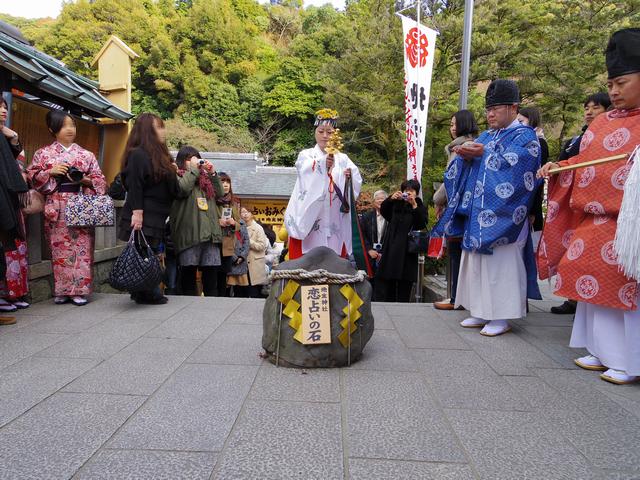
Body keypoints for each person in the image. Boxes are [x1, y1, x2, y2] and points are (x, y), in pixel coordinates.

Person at [537, 28, 640, 384]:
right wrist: (559, 168)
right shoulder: (601, 123)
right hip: (593, 220)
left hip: (630, 226)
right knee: (590, 282)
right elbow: (585, 163)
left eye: (622, 82)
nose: (613, 91)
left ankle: (630, 360)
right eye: (611, 83)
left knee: (624, 291)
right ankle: (601, 350)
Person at [431, 79, 542, 336]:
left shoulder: (525, 137)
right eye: (488, 109)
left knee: (501, 265)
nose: (490, 113)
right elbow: (468, 164)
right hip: (477, 211)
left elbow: (520, 169)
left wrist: (483, 156)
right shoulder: (486, 135)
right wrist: (464, 156)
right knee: (477, 263)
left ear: (513, 108)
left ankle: (502, 316)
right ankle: (479, 310)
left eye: (497, 108)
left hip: (505, 214)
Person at [27, 110, 106, 306]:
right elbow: (31, 176)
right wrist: (49, 172)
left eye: (72, 125)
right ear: (52, 129)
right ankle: (62, 290)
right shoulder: (43, 153)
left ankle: (80, 290)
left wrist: (84, 179)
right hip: (56, 205)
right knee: (58, 248)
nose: (70, 129)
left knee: (82, 248)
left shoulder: (86, 155)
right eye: (64, 125)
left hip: (80, 203)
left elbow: (100, 181)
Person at [549, 92, 611, 315]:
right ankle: (574, 298)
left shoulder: (611, 134)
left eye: (596, 107)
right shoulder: (578, 139)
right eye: (586, 108)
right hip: (576, 201)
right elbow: (574, 163)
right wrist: (557, 166)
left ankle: (589, 299)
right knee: (572, 251)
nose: (589, 112)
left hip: (603, 203)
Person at [284, 109, 363, 259]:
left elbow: (355, 180)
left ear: (336, 134)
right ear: (315, 132)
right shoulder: (306, 155)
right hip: (313, 214)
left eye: (330, 132)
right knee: (308, 259)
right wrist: (321, 163)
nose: (325, 136)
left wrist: (348, 178)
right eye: (321, 131)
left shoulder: (343, 158)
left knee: (334, 258)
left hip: (334, 215)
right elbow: (303, 171)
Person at [118, 113, 179, 305]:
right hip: (143, 213)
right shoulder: (138, 155)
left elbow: (175, 190)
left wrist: (174, 171)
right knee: (145, 253)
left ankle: (142, 291)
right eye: (159, 127)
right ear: (148, 132)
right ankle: (149, 292)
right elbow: (135, 185)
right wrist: (137, 212)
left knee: (147, 252)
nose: (163, 131)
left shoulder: (161, 157)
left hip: (157, 214)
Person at [433, 109, 479, 310]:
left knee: (456, 252)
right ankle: (460, 297)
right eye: (450, 124)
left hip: (457, 209)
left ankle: (455, 298)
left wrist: (437, 199)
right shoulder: (473, 144)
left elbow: (450, 179)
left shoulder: (461, 148)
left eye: (454, 124)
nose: (452, 128)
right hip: (468, 207)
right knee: (462, 253)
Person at [170, 146, 224, 297]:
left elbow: (220, 194)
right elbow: (182, 189)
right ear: (182, 161)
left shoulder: (205, 180)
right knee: (188, 277)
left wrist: (212, 173)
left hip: (210, 236)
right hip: (189, 235)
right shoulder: (176, 176)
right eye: (189, 159)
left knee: (211, 278)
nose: (193, 161)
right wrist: (193, 170)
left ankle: (212, 311)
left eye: (195, 158)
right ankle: (188, 313)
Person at [374, 179, 428, 302]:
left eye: (412, 191)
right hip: (392, 245)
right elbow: (383, 211)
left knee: (405, 281)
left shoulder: (419, 205)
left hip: (407, 248)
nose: (408, 193)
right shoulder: (395, 203)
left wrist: (414, 205)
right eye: (406, 191)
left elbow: (421, 223)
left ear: (416, 193)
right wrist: (390, 198)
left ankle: (404, 306)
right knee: (389, 279)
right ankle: (389, 304)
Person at [0, 97, 30, 313]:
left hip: (8, 197)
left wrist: (13, 137)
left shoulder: (5, 135)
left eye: (4, 107)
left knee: (9, 247)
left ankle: (12, 294)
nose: (3, 111)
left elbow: (11, 162)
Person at [517, 106, 549, 249]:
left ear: (532, 121)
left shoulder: (539, 142)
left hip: (531, 203)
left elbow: (537, 179)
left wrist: (534, 210)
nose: (518, 125)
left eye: (521, 121)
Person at [215, 172, 242, 296]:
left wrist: (232, 222)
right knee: (211, 273)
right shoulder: (212, 200)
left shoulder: (233, 203)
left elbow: (239, 225)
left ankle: (221, 300)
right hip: (214, 242)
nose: (225, 185)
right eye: (222, 182)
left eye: (228, 182)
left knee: (223, 275)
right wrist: (217, 222)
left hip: (227, 243)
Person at [238, 207, 268, 298]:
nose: (245, 214)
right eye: (243, 212)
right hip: (242, 264)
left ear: (252, 214)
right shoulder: (238, 227)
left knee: (255, 292)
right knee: (242, 291)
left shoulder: (258, 228)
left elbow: (262, 246)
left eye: (247, 212)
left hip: (255, 264)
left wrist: (248, 241)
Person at [361, 190, 388, 280]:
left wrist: (385, 252)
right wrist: (369, 250)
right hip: (370, 255)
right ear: (374, 201)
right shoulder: (366, 217)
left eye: (383, 199)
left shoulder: (391, 217)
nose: (380, 201)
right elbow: (362, 235)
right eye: (378, 199)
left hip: (387, 255)